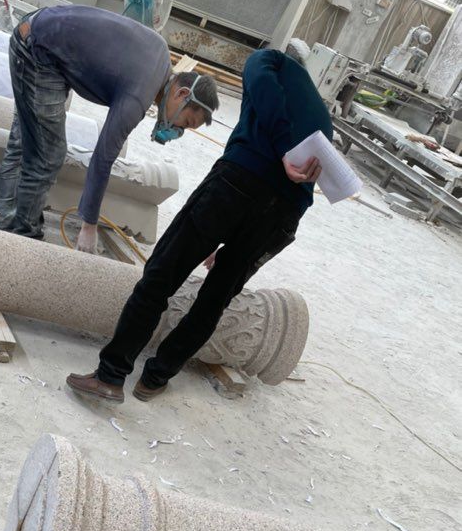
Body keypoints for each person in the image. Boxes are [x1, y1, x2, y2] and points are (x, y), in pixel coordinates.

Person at [66, 43, 332, 404]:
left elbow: (262, 84)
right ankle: (155, 378)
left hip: (238, 184)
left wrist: (283, 148)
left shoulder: (270, 61)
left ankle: (111, 375)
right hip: (283, 216)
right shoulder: (322, 116)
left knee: (160, 278)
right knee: (214, 300)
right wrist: (235, 242)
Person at [0, 4, 219, 252]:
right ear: (182, 94)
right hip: (37, 51)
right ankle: (21, 237)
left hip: (39, 31)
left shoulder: (160, 52)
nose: (177, 131)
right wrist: (89, 225)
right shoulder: (138, 98)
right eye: (185, 122)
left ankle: (7, 224)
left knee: (24, 139)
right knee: (48, 154)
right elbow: (102, 159)